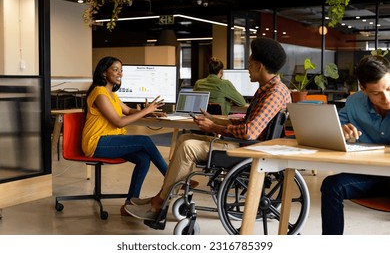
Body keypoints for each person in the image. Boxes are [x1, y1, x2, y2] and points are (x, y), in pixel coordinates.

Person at [124, 37, 292, 220]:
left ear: (259, 66)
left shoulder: (274, 94)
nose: (247, 69)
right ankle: (162, 196)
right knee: (184, 139)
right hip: (245, 144)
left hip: (247, 149)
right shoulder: (269, 89)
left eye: (250, 64)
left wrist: (213, 126)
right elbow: (249, 123)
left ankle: (158, 203)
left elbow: (250, 132)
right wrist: (215, 121)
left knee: (188, 148)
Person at [81, 56, 168, 216]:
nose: (120, 73)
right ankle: (171, 180)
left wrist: (150, 113)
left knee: (143, 158)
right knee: (144, 140)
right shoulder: (99, 94)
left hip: (109, 141)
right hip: (97, 142)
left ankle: (129, 204)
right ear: (103, 72)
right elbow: (119, 122)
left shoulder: (111, 94)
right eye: (115, 69)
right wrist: (145, 112)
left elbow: (127, 111)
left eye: (121, 70)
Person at [320, 54, 390, 235]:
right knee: (331, 185)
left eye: (389, 88)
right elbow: (334, 131)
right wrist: (342, 133)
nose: (386, 97)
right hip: (371, 174)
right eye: (377, 93)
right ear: (363, 89)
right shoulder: (353, 103)